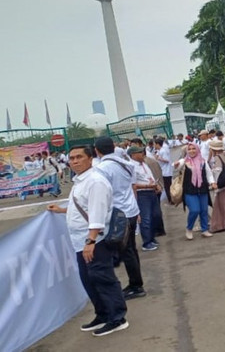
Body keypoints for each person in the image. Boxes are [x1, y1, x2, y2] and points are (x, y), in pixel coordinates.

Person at [47, 145, 128, 336]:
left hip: (95, 241)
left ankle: (117, 317)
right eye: (72, 158)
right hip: (80, 241)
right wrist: (61, 210)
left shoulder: (95, 181)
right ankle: (103, 314)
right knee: (89, 280)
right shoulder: (80, 181)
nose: (74, 161)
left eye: (79, 157)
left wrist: (90, 242)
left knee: (103, 278)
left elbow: (97, 213)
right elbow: (83, 207)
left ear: (90, 158)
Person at [93, 136, 149, 304]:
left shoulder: (101, 168)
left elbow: (104, 193)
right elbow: (131, 187)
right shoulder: (127, 164)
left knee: (127, 251)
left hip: (117, 214)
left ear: (97, 150)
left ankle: (136, 285)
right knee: (130, 249)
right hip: (130, 210)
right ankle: (135, 283)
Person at [173, 143, 215, 240]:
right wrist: (176, 165)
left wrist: (212, 182)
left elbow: (209, 174)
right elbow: (177, 166)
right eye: (190, 149)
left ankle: (204, 230)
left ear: (197, 150)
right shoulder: (185, 161)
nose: (192, 151)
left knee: (204, 210)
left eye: (194, 149)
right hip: (189, 190)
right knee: (195, 210)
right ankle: (189, 228)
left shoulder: (203, 161)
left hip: (202, 189)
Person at [154, 138, 174, 205]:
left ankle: (171, 200)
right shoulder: (160, 150)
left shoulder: (163, 151)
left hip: (166, 171)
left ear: (157, 144)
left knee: (167, 187)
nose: (154, 145)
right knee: (167, 186)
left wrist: (158, 158)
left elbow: (166, 160)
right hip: (165, 170)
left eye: (154, 144)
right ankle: (171, 199)